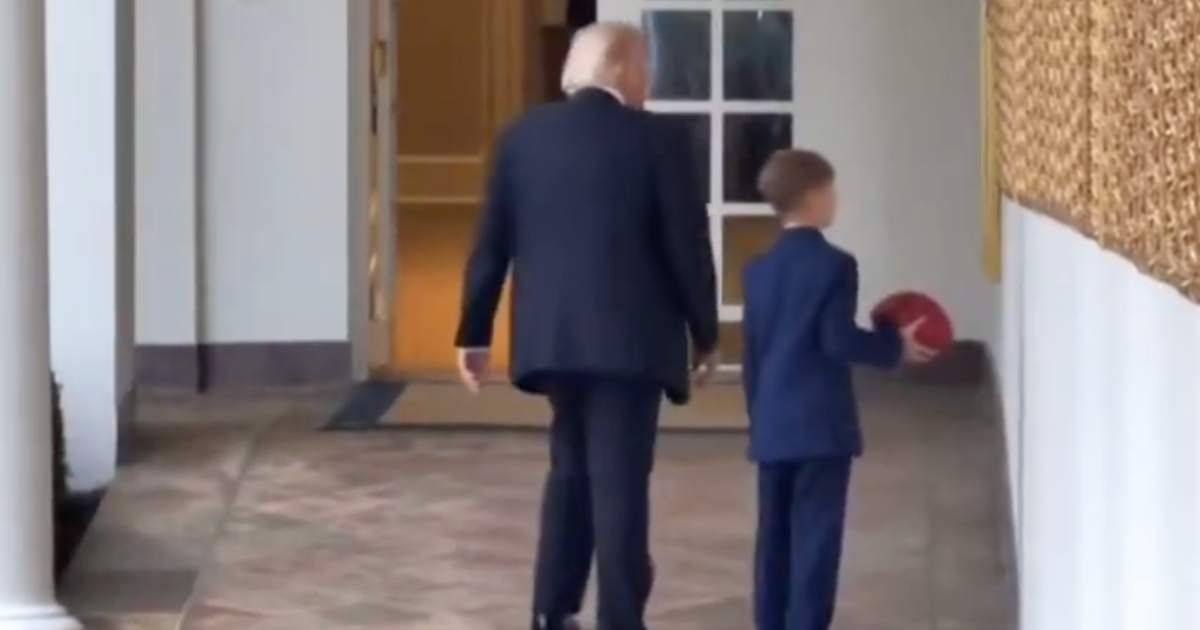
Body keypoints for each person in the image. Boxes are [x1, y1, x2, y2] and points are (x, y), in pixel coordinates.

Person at [454, 22, 719, 630]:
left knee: (570, 471)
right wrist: (704, 332)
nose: (649, 80)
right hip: (630, 345)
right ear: (622, 68)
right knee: (621, 482)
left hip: (552, 343)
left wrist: (474, 333)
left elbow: (490, 244)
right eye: (645, 66)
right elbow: (686, 246)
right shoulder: (659, 140)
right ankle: (620, 619)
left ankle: (552, 611)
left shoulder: (521, 137)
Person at [741, 150, 934, 630]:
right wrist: (894, 345)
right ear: (812, 197)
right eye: (832, 190)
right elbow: (837, 340)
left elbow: (753, 355)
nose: (836, 200)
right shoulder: (835, 265)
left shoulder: (757, 269)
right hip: (820, 428)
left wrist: (760, 419)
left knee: (774, 543)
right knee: (816, 544)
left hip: (773, 426)